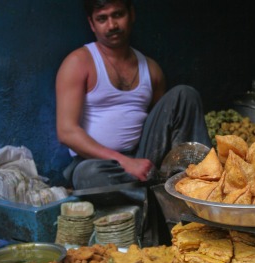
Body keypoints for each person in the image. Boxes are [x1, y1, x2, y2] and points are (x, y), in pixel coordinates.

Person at [55, 0, 211, 192]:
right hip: (98, 163)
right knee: (88, 175)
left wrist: (140, 162)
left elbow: (163, 130)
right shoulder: (78, 63)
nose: (112, 25)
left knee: (185, 95)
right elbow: (66, 132)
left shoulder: (152, 70)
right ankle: (162, 193)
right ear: (91, 24)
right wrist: (124, 162)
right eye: (102, 19)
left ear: (131, 14)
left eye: (118, 15)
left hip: (143, 158)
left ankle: (202, 181)